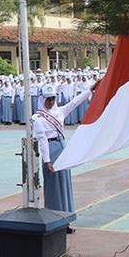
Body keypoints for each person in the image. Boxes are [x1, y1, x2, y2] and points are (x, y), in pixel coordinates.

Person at [31, 80, 99, 233]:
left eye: (53, 98)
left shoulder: (59, 111)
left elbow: (74, 102)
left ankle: (66, 220)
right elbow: (42, 140)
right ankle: (54, 221)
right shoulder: (38, 118)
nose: (50, 102)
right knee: (54, 187)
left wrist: (90, 90)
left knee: (65, 185)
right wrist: (47, 160)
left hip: (62, 148)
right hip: (51, 151)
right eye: (48, 99)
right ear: (42, 99)